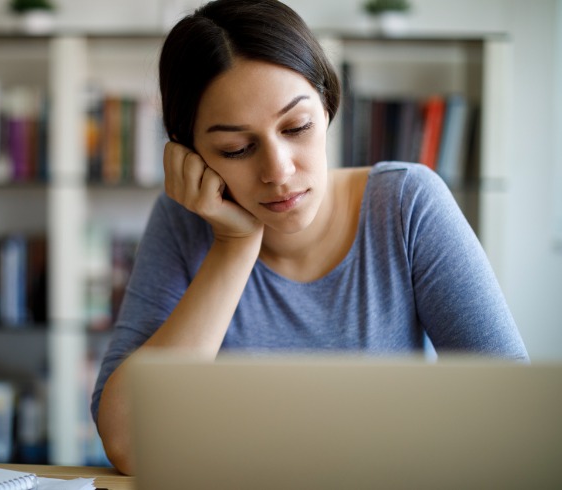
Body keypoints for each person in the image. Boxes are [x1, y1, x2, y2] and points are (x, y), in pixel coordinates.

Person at [91, 0, 528, 475]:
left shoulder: (406, 205)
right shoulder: (182, 223)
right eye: (236, 149)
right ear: (191, 155)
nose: (279, 171)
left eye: (297, 127)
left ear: (327, 106)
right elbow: (128, 444)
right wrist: (234, 246)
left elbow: (514, 419)